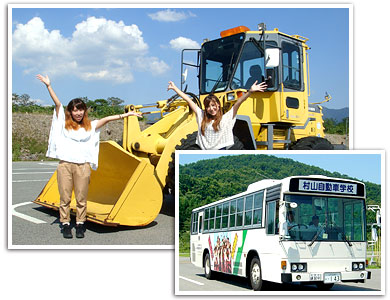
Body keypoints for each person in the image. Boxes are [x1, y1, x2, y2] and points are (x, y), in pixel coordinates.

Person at [36, 74, 141, 239]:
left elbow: (106, 119)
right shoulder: (64, 124)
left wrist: (126, 116)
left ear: (85, 111)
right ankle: (65, 224)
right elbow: (58, 104)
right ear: (70, 111)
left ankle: (80, 224)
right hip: (65, 165)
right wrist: (48, 86)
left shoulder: (90, 126)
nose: (78, 112)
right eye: (75, 109)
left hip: (83, 167)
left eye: (80, 109)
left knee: (81, 198)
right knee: (64, 197)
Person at [167, 79, 267, 150]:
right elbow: (188, 100)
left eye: (213, 105)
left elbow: (238, 102)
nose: (211, 108)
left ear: (218, 105)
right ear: (205, 108)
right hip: (203, 154)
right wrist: (175, 88)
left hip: (220, 151)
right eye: (208, 106)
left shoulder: (226, 118)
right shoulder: (201, 116)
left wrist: (250, 92)